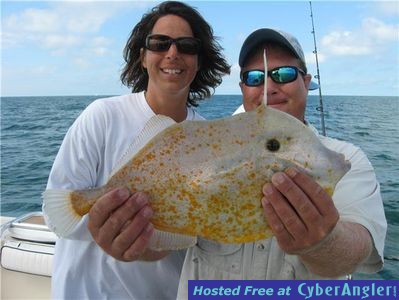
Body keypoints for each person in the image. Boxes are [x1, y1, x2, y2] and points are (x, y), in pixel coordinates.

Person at [177, 28, 386, 297]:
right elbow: (162, 240)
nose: (269, 87)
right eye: (254, 77)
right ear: (243, 88)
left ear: (306, 81)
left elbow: (358, 249)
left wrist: (323, 242)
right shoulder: (205, 153)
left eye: (284, 74)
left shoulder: (344, 158)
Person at [43, 1, 230, 299]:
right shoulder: (102, 116)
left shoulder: (210, 138)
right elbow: (57, 213)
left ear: (198, 60)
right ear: (143, 57)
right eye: (160, 43)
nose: (173, 53)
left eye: (187, 45)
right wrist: (105, 228)